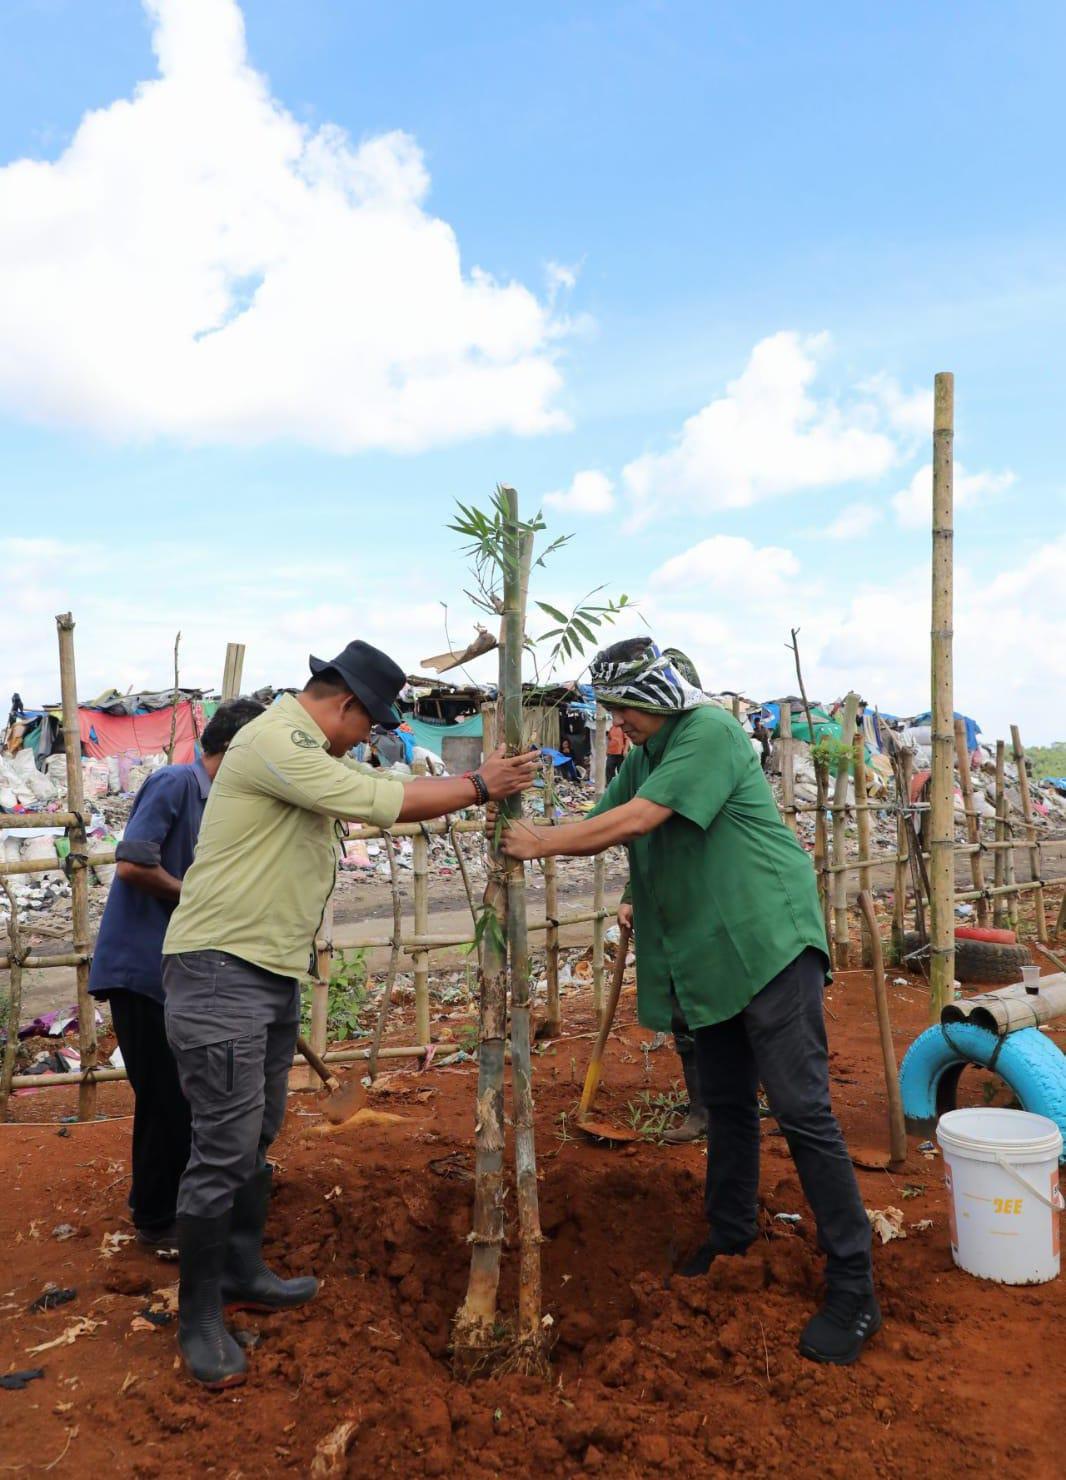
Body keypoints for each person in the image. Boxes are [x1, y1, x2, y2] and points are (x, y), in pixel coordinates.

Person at [162, 640, 538, 1389]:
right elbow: (378, 803)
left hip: (265, 970)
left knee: (256, 1132)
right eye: (368, 728)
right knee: (224, 1146)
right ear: (344, 704)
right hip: (219, 971)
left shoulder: (301, 745)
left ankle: (241, 1270)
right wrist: (478, 786)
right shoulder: (274, 740)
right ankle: (198, 1317)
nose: (366, 741)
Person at [501, 637, 877, 1366]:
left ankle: (855, 1286)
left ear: (658, 697)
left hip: (767, 939)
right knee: (729, 1103)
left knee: (801, 1108)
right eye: (610, 712)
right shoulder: (649, 754)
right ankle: (731, 1237)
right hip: (711, 956)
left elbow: (637, 821)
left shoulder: (710, 731)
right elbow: (611, 822)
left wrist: (538, 840)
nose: (618, 725)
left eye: (625, 710)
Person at [88, 700, 265, 1251]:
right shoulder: (174, 783)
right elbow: (133, 864)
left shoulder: (223, 803)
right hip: (141, 969)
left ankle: (184, 1205)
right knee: (165, 1094)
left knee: (185, 1091)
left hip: (179, 970)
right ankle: (157, 1219)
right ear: (236, 750)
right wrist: (201, 900)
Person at [605, 717, 629, 782]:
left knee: (620, 769)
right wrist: (607, 750)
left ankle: (621, 784)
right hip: (611, 752)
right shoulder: (612, 728)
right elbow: (609, 739)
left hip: (620, 752)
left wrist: (625, 750)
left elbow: (627, 739)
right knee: (609, 767)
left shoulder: (622, 728)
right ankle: (610, 783)